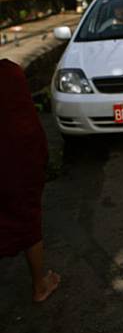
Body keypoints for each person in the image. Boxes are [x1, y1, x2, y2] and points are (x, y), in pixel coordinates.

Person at [0, 59, 60, 302]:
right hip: (13, 163)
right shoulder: (10, 74)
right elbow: (26, 127)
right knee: (26, 220)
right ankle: (39, 285)